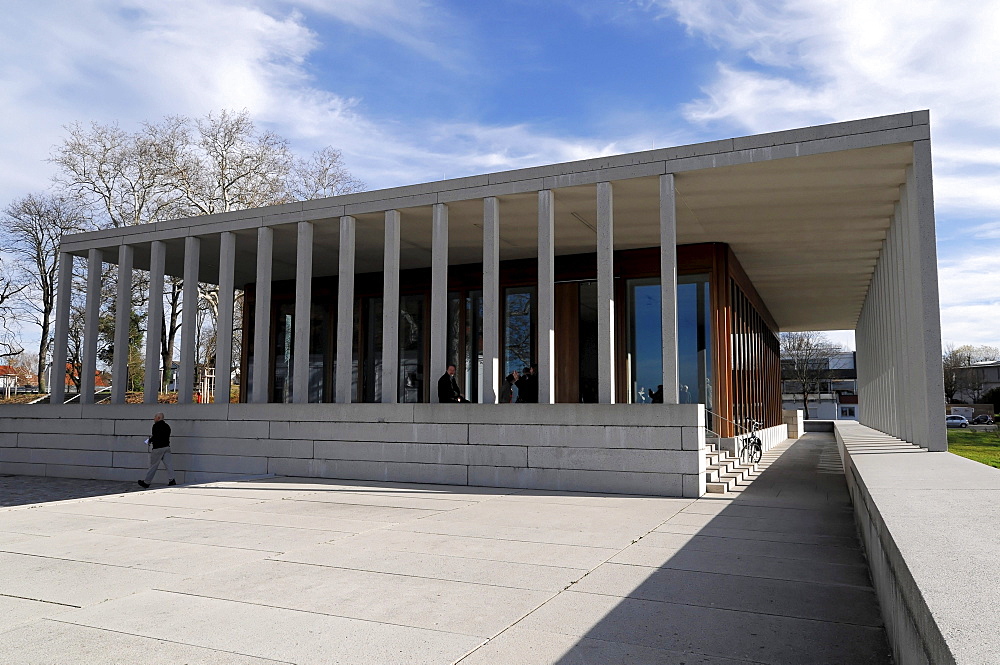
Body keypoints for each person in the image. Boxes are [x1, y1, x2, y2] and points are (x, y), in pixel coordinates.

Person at [138, 412, 176, 488]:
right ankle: (172, 480)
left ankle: (146, 482)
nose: (154, 418)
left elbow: (155, 436)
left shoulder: (156, 426)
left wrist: (149, 441)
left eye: (155, 417)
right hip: (167, 447)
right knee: (169, 465)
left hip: (158, 448)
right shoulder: (167, 426)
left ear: (158, 418)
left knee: (153, 466)